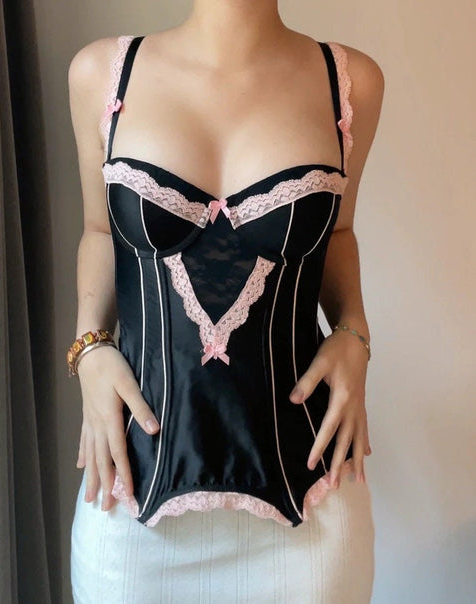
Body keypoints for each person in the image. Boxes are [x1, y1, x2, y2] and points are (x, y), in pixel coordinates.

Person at [68, 1, 384, 602]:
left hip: (311, 508)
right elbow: (100, 231)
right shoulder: (102, 73)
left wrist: (353, 329)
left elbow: (337, 231)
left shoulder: (350, 82)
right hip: (131, 501)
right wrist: (89, 347)